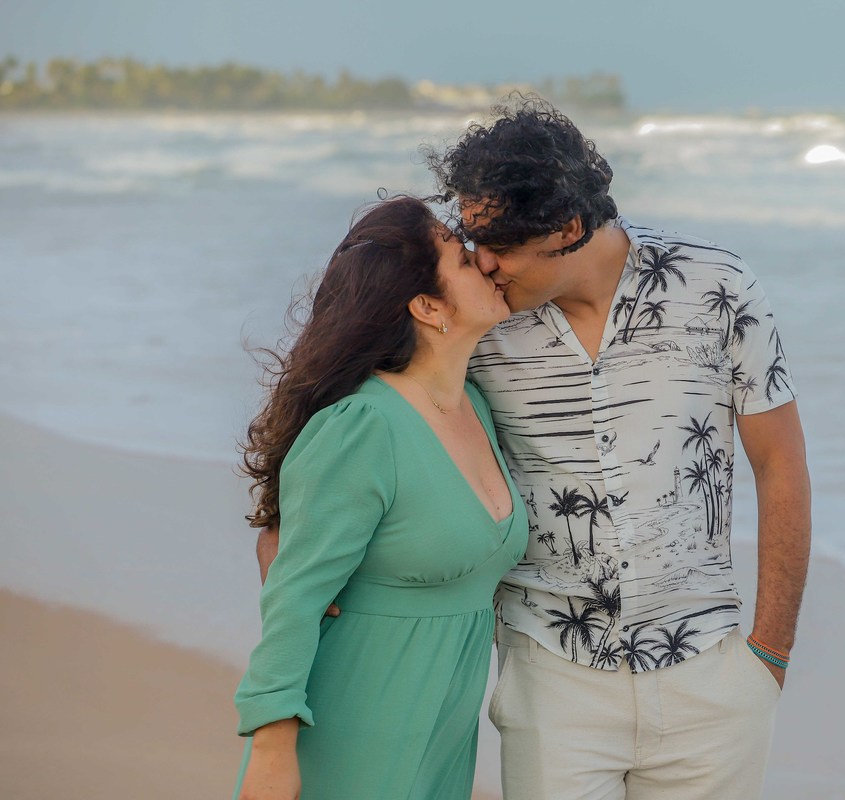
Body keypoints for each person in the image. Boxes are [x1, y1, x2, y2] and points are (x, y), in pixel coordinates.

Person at [261, 98, 812, 800]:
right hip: (552, 677)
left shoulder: (719, 290)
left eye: (499, 245)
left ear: (568, 229)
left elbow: (781, 463)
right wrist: (280, 525)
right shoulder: (481, 321)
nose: (482, 264)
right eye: (471, 236)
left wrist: (769, 652)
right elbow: (362, 401)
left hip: (713, 675)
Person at [233, 196, 527, 800]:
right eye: (462, 258)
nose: (486, 263)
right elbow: (295, 598)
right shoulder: (361, 426)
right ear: (426, 306)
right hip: (357, 720)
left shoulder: (476, 406)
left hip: (441, 731)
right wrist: (271, 747)